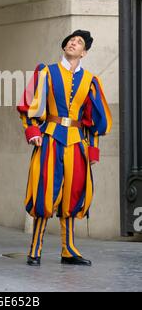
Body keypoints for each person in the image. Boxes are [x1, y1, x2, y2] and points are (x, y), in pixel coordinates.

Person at [17, 30, 112, 267]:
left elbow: (94, 121)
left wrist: (93, 151)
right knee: (44, 191)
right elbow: (27, 105)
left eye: (79, 42)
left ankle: (68, 249)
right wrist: (33, 132)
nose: (73, 43)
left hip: (77, 142)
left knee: (73, 193)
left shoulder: (90, 81)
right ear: (65, 46)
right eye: (71, 40)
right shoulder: (46, 72)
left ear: (84, 52)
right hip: (50, 137)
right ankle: (35, 249)